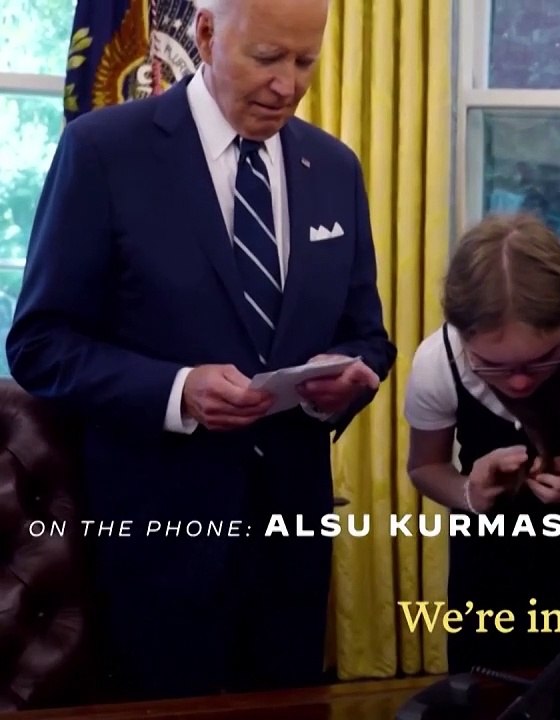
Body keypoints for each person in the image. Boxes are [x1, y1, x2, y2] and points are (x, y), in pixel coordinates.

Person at [4, 0, 396, 701]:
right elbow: (40, 344)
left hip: (291, 543)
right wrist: (177, 390)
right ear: (207, 34)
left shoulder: (334, 168)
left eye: (306, 61)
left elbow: (368, 335)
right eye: (268, 59)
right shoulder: (103, 151)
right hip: (155, 545)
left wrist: (351, 380)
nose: (288, 85)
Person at [403, 213, 560, 674]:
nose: (518, 382)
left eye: (541, 360)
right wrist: (468, 494)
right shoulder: (438, 360)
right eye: (492, 365)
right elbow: (423, 466)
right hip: (493, 566)